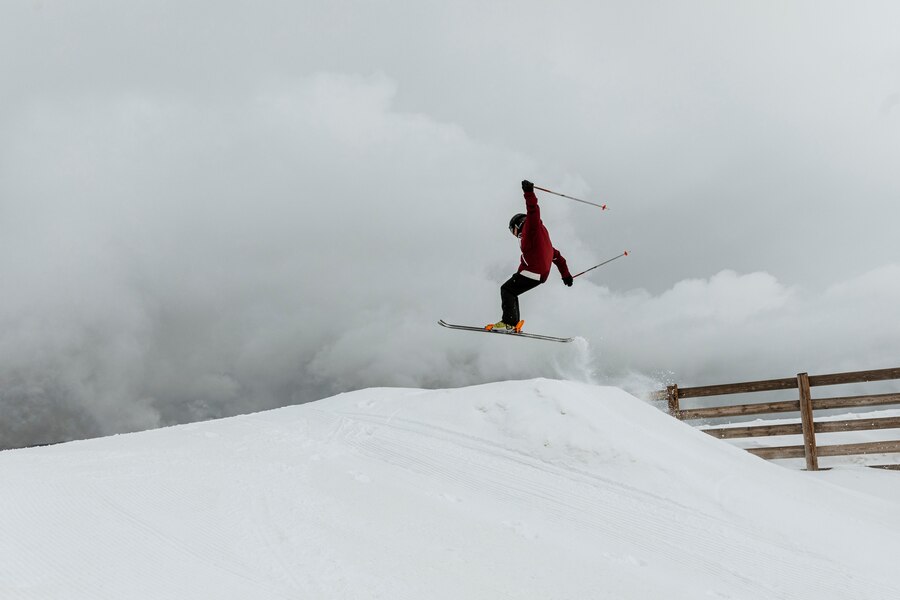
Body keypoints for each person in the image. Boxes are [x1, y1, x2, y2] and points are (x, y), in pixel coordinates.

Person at [487, 180, 573, 332]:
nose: (515, 235)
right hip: (540, 273)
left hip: (533, 271)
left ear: (517, 225)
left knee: (506, 290)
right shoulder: (541, 237)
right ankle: (512, 323)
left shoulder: (530, 228)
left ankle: (508, 323)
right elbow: (557, 257)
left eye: (512, 231)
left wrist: (528, 192)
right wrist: (566, 275)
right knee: (512, 291)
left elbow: (533, 211)